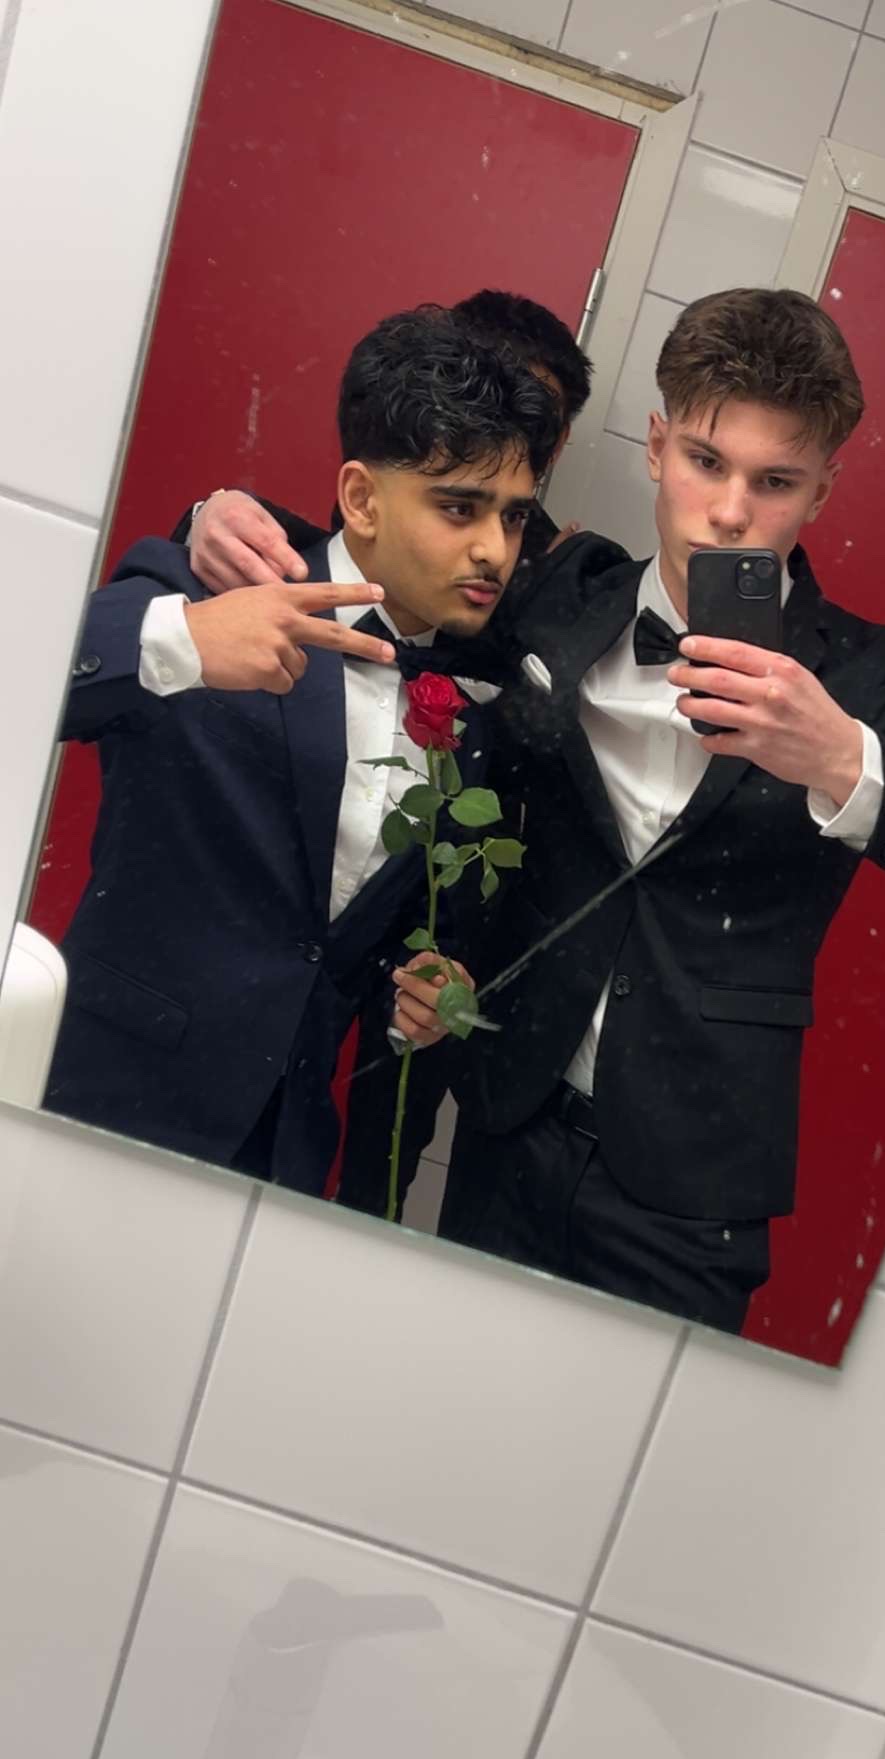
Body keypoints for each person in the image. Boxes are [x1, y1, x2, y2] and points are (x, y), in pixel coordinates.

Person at [395, 287, 885, 1333]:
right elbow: (394, 589)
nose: (731, 513)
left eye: (775, 481)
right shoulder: (564, 591)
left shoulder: (869, 676)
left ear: (822, 491)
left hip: (693, 1187)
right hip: (507, 1114)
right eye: (706, 461)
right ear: (656, 448)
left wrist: (840, 758)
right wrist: (219, 522)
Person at [45, 307, 559, 1194]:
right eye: (459, 507)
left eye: (514, 518)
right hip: (102, 1102)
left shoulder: (467, 717)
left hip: (282, 1152)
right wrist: (184, 638)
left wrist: (415, 994)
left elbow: (344, 939)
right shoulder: (207, 589)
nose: (494, 550)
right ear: (360, 498)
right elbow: (38, 681)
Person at [174, 289, 593, 1217]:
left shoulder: (551, 582)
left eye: (535, 431)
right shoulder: (267, 566)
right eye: (462, 500)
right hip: (158, 1051)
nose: (493, 547)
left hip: (392, 1000)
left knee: (371, 1183)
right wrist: (200, 526)